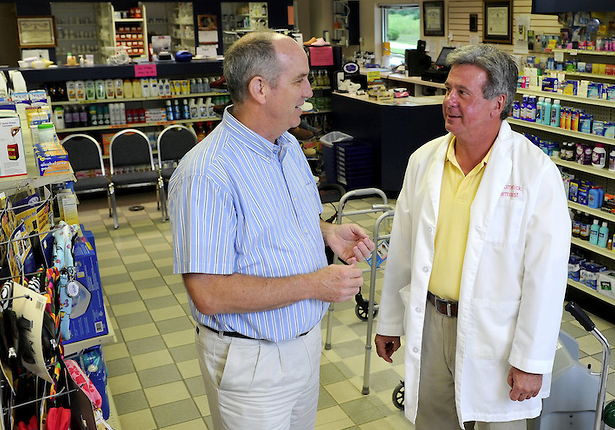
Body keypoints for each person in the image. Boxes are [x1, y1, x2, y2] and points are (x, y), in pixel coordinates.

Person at [169, 31, 375, 430]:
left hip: (304, 343)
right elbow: (208, 293)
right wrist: (315, 285)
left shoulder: (288, 147)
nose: (309, 91)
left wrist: (326, 232)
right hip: (252, 362)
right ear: (260, 88)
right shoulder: (207, 174)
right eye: (300, 79)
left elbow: (279, 221)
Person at [374, 44, 570, 429]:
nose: (449, 101)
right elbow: (402, 251)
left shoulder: (535, 173)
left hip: (497, 334)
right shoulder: (424, 160)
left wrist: (531, 361)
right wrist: (390, 321)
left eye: (463, 93)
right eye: (448, 90)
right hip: (431, 321)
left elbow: (546, 277)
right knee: (432, 422)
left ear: (498, 103)